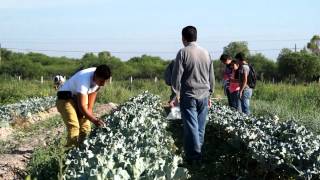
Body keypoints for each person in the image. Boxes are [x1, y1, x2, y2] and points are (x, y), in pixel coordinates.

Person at [171, 26, 215, 165]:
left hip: (189, 95)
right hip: (204, 95)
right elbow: (211, 75)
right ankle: (197, 155)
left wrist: (175, 94)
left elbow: (176, 76)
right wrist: (210, 94)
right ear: (196, 37)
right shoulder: (206, 52)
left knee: (191, 127)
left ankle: (195, 157)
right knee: (200, 127)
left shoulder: (183, 52)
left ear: (183, 38)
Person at [56, 65, 110, 148]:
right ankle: (69, 153)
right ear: (95, 76)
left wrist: (90, 117)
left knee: (86, 127)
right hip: (65, 99)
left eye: (105, 81)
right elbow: (82, 106)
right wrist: (95, 120)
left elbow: (89, 107)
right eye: (101, 81)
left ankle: (81, 150)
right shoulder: (84, 80)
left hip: (76, 98)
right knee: (74, 126)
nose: (103, 84)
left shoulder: (99, 77)